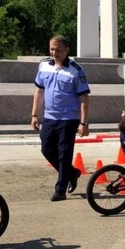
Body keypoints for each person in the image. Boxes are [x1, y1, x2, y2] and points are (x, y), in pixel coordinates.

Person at [31, 35, 90, 202]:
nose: (54, 53)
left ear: (66, 50)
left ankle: (60, 189)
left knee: (64, 153)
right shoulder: (43, 66)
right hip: (50, 117)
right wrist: (35, 114)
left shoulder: (76, 71)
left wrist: (83, 123)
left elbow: (84, 98)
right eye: (51, 49)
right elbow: (39, 92)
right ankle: (72, 172)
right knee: (46, 148)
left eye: (57, 49)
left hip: (69, 118)